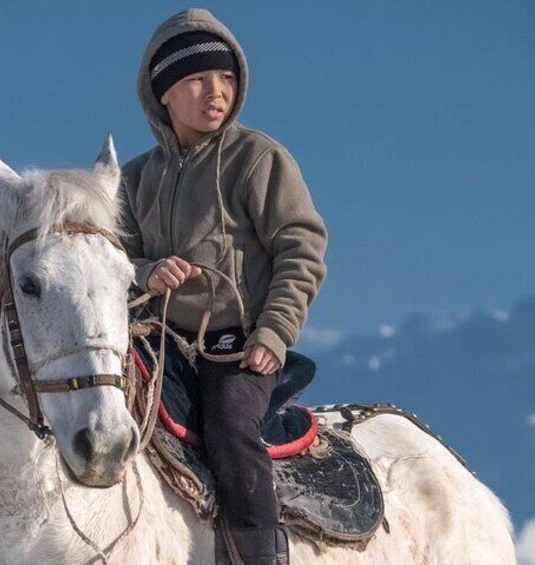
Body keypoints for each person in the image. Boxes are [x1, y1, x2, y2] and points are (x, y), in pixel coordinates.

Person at [119, 8, 328, 564]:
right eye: (197, 80)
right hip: (154, 338)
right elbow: (112, 256)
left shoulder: (257, 159)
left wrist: (273, 332)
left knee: (233, 433)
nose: (216, 92)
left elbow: (301, 250)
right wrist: (146, 271)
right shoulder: (135, 178)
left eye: (227, 78)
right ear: (163, 93)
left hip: (238, 346)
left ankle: (261, 558)